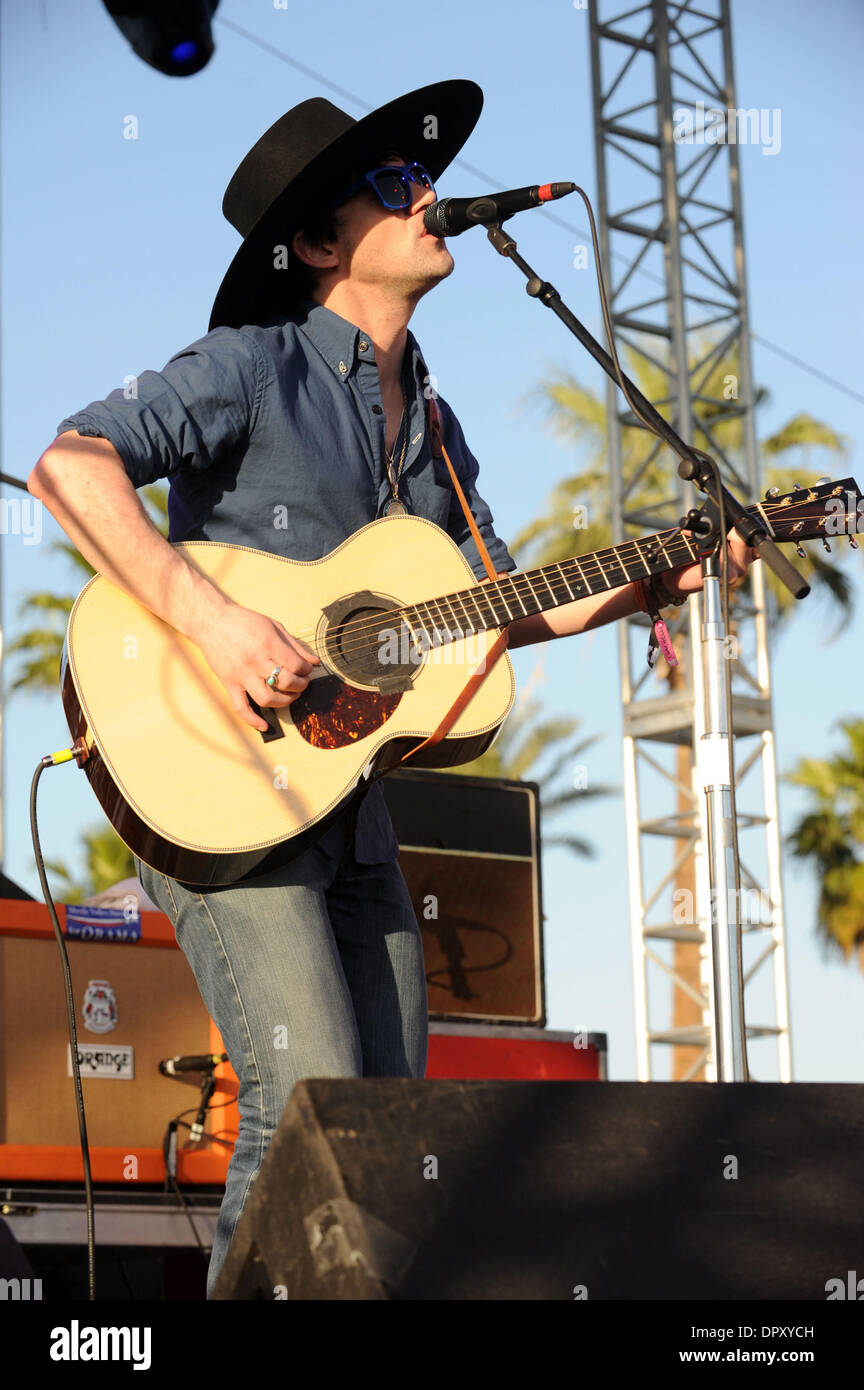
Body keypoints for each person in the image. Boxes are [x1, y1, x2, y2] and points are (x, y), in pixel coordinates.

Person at [28, 80, 755, 1296]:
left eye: (420, 177)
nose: (428, 192)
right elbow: (67, 469)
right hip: (211, 778)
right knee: (301, 1091)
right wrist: (215, 621)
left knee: (385, 1125)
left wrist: (658, 573)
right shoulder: (250, 366)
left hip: (348, 802)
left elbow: (499, 607)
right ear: (317, 243)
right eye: (391, 184)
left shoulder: (435, 426)